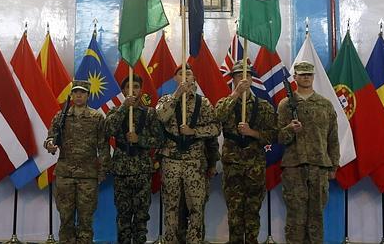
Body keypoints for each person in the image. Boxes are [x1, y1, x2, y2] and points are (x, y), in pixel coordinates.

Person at [156, 64, 220, 243]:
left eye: (189, 73)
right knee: (171, 206)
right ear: (175, 79)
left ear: (194, 79)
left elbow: (216, 128)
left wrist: (195, 132)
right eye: (180, 74)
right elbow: (160, 117)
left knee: (196, 208)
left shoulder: (203, 103)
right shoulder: (166, 99)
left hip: (194, 162)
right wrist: (177, 95)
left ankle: (195, 241)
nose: (185, 76)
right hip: (171, 161)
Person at [277, 61, 339, 244]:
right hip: (293, 167)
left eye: (309, 74)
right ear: (294, 77)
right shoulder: (286, 104)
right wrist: (289, 129)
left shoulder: (325, 104)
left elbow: (333, 138)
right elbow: (278, 137)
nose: (305, 77)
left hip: (319, 167)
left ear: (313, 77)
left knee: (316, 216)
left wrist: (334, 165)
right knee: (295, 217)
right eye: (302, 74)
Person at [215, 60, 276, 244]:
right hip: (232, 166)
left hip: (254, 166)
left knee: (252, 210)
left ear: (252, 79)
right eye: (239, 75)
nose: (243, 79)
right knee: (234, 211)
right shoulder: (226, 102)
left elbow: (273, 135)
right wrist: (235, 94)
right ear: (233, 79)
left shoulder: (264, 106)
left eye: (247, 75)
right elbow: (216, 117)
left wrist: (252, 132)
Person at [44, 80, 111, 244]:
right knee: (65, 218)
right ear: (72, 95)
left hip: (88, 176)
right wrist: (50, 145)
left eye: (82, 93)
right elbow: (50, 138)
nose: (79, 95)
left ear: (88, 95)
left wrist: (102, 171)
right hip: (65, 175)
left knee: (85, 220)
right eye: (75, 92)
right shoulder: (61, 117)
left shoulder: (97, 117)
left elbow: (103, 146)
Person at [105, 74, 162, 244]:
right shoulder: (115, 111)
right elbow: (107, 130)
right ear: (123, 91)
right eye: (128, 87)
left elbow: (159, 140)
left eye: (136, 87)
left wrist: (140, 140)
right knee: (123, 214)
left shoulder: (150, 113)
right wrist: (124, 108)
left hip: (143, 169)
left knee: (141, 214)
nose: (132, 91)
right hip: (122, 169)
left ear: (140, 89)